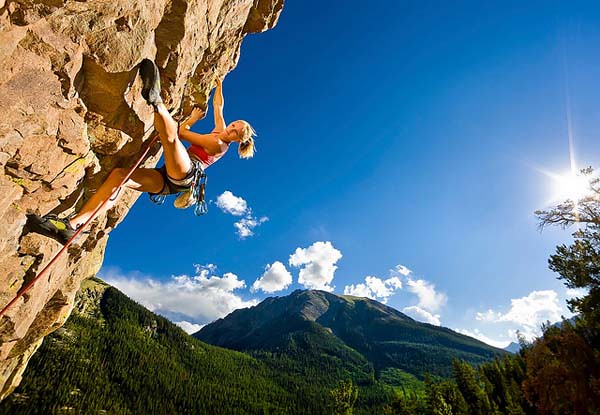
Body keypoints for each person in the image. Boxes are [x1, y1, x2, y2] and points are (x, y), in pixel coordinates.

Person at [28, 59, 256, 244]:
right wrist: (220, 85)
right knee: (119, 176)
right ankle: (74, 225)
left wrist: (192, 120)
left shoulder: (218, 144)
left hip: (186, 173)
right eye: (234, 124)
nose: (231, 128)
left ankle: (156, 102)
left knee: (172, 139)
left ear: (237, 141)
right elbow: (219, 106)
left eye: (235, 132)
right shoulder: (220, 130)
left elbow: (182, 133)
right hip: (169, 180)